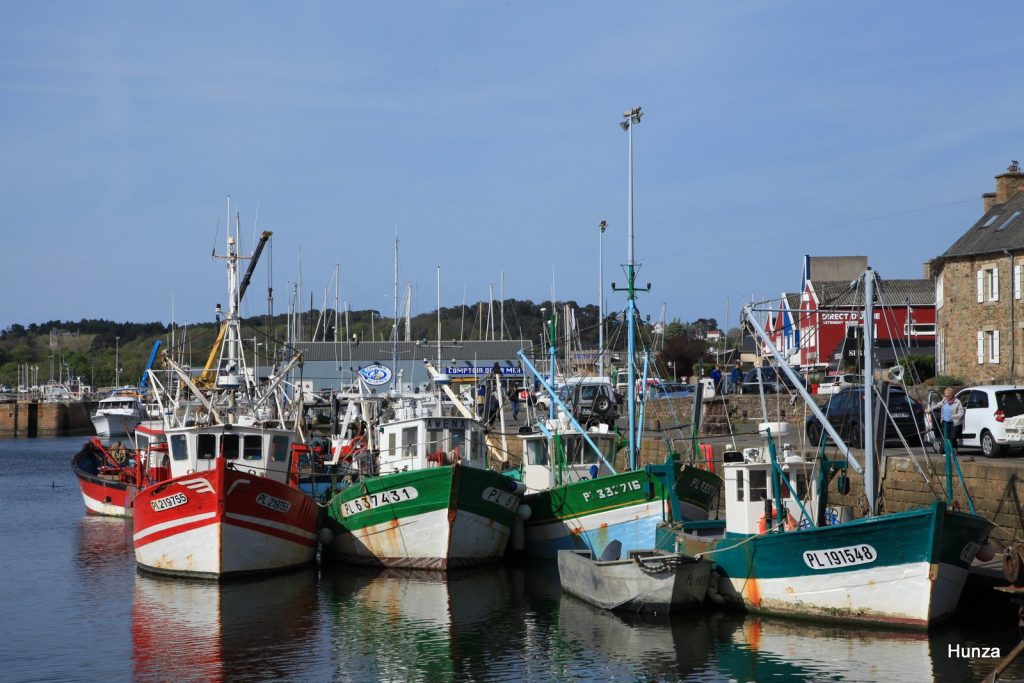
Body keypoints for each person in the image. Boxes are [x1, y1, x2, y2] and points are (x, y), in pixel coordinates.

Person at [939, 387, 965, 454]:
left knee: (953, 437)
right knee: (946, 437)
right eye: (945, 395)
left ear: (951, 395)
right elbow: (938, 405)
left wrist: (955, 416)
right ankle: (948, 452)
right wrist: (930, 409)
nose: (945, 397)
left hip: (954, 422)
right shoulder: (944, 401)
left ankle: (955, 449)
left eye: (947, 396)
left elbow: (961, 412)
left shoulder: (957, 401)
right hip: (945, 421)